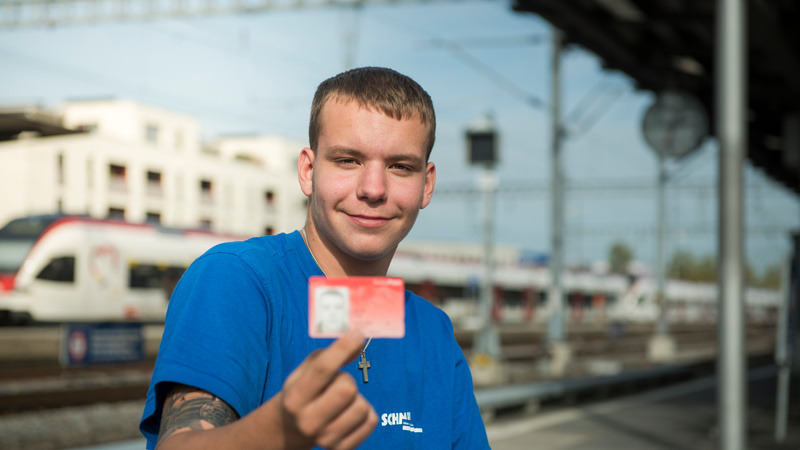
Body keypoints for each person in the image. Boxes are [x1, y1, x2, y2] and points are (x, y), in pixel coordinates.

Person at [139, 66, 490, 450]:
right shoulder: (237, 280)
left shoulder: (432, 331)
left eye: (400, 167)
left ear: (427, 184)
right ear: (308, 171)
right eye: (347, 160)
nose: (373, 189)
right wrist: (275, 433)